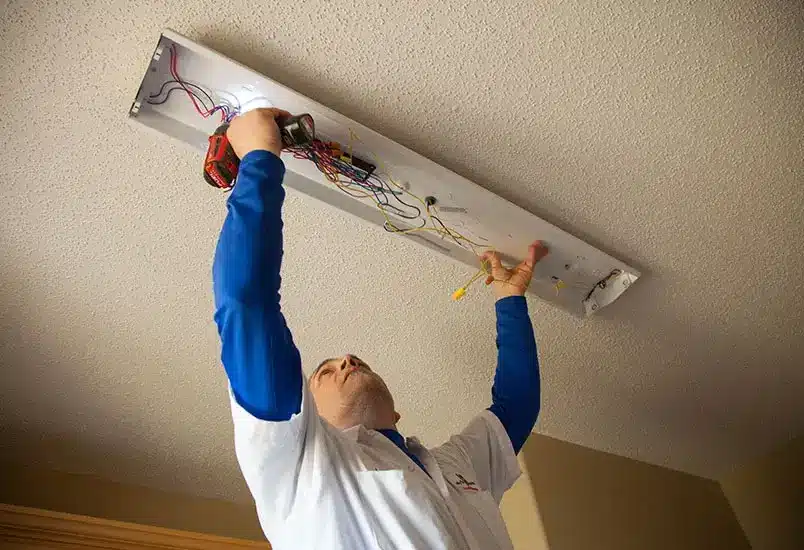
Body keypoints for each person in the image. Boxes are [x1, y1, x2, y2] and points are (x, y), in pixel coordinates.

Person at [213, 108, 548, 550]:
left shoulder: (456, 466)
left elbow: (515, 408)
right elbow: (247, 306)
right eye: (325, 372)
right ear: (308, 415)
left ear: (397, 415)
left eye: (354, 362)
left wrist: (509, 299)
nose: (347, 360)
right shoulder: (300, 463)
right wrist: (259, 157)